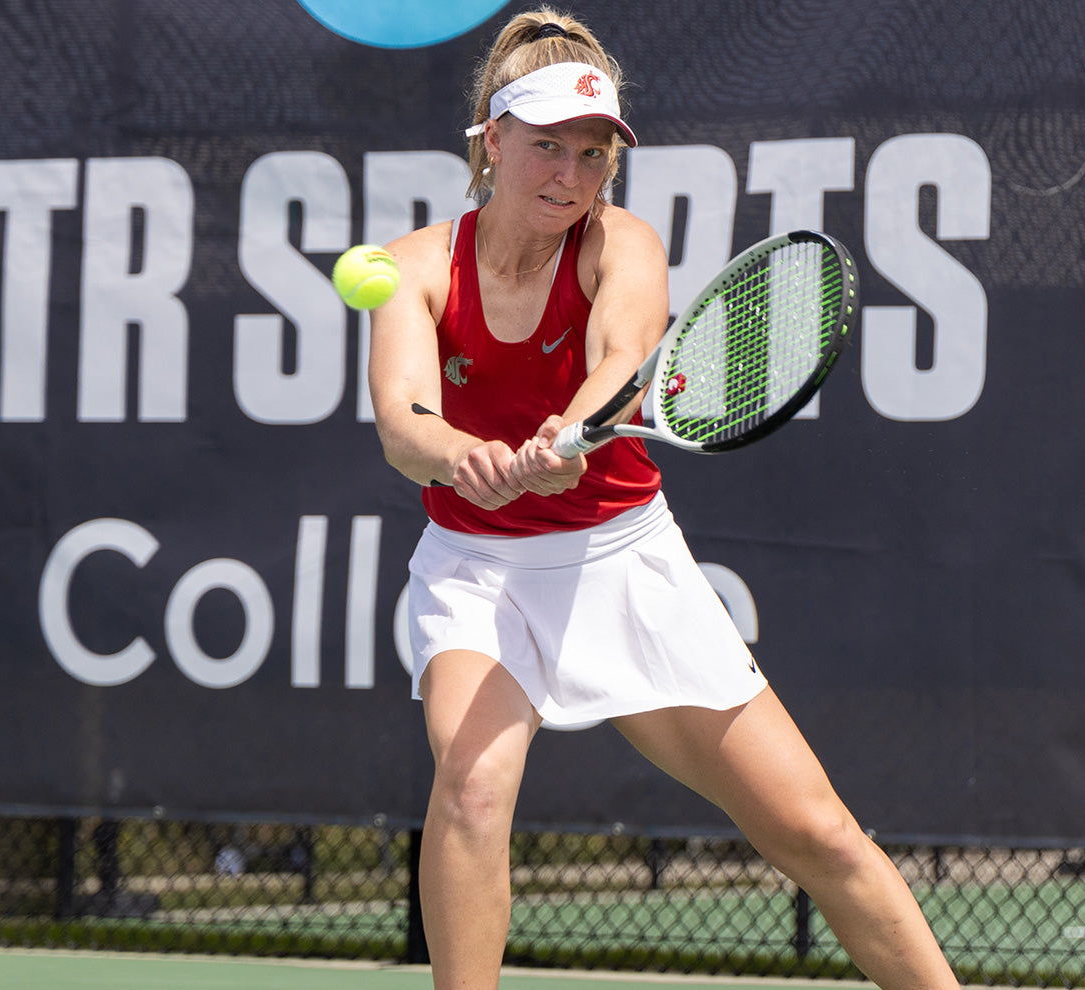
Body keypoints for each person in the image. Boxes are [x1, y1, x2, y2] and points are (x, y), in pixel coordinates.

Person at [368, 8, 960, 989]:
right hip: (476, 571)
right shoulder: (413, 268)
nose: (568, 174)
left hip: (621, 560)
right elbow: (402, 424)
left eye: (593, 154)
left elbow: (616, 364)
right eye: (546, 146)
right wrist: (467, 455)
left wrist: (571, 430)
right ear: (490, 139)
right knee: (471, 787)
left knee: (817, 832)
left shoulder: (622, 243)